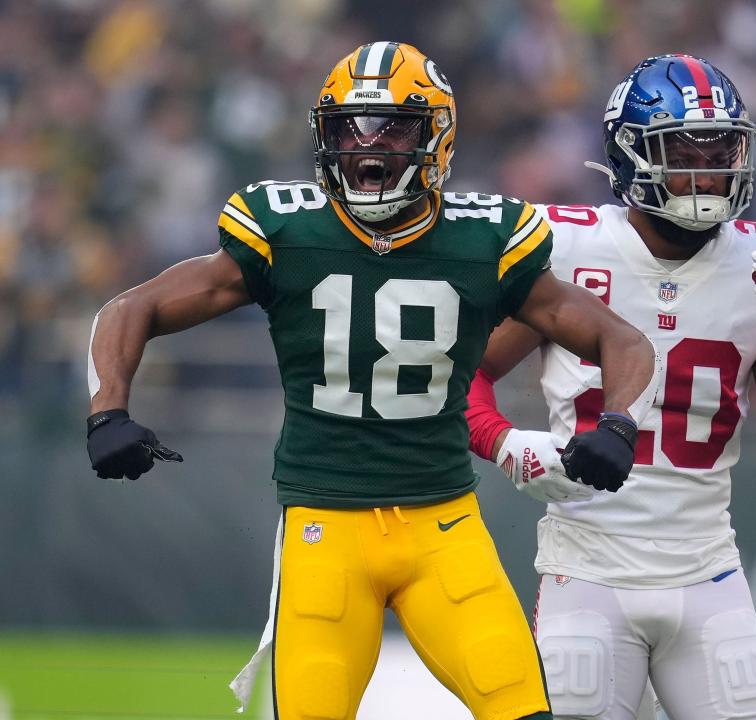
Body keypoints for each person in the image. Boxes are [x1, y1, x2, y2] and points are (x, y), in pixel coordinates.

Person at [84, 42, 660, 720]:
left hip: (444, 527)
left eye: (394, 128)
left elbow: (621, 340)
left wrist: (620, 422)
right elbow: (133, 306)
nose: (368, 148)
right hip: (324, 528)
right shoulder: (287, 228)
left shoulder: (484, 240)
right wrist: (107, 410)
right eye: (349, 129)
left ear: (438, 135)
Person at [466, 54, 756, 720]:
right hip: (587, 567)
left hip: (706, 570)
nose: (710, 171)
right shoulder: (566, 247)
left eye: (722, 150)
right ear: (630, 156)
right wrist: (504, 443)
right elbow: (460, 377)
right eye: (685, 152)